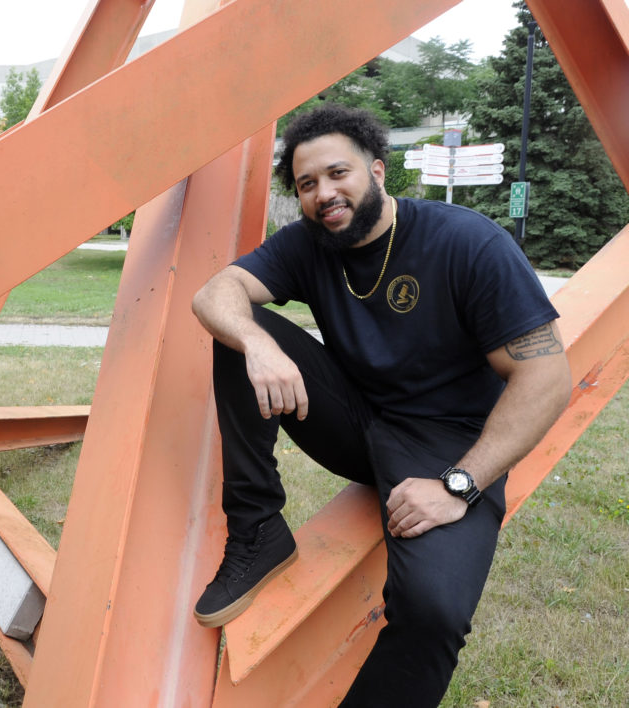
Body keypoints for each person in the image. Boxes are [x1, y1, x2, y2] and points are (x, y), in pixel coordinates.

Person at [190, 103, 571, 706]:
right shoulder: (308, 244)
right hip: (357, 419)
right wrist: (258, 342)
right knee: (237, 332)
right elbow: (216, 292)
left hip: (448, 442)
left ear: (377, 168)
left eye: (337, 173)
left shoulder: (467, 242)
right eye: (307, 183)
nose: (324, 193)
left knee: (433, 612)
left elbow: (546, 377)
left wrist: (458, 485)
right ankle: (257, 529)